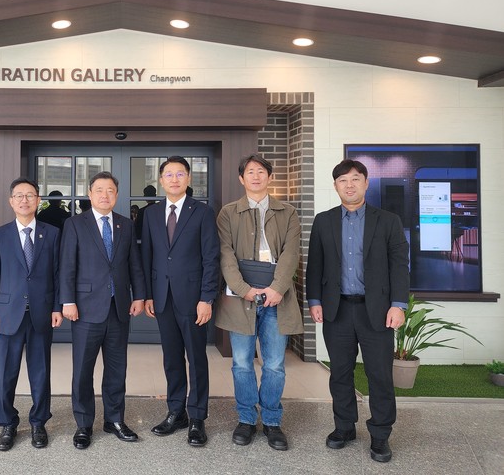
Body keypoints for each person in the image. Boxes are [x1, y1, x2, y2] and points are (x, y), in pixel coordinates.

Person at [306, 159, 409, 463]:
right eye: (342, 180)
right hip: (337, 309)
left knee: (379, 374)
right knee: (339, 373)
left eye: (354, 179)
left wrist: (398, 305)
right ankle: (344, 427)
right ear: (335, 185)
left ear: (366, 183)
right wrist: (315, 300)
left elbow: (399, 265)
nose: (349, 185)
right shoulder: (323, 221)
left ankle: (380, 434)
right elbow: (315, 265)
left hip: (376, 310)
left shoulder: (388, 221)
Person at [216, 154, 302, 451]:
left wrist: (277, 288)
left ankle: (273, 421)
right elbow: (225, 254)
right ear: (241, 178)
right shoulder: (228, 213)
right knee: (241, 363)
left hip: (277, 298)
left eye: (261, 171)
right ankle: (246, 419)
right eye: (250, 172)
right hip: (241, 298)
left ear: (269, 177)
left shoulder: (287, 212)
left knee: (275, 364)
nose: (255, 176)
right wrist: (243, 289)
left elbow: (291, 252)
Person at [59, 171, 146, 450]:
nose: (105, 195)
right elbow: (67, 265)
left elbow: (134, 263)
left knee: (117, 368)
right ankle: (84, 424)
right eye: (99, 190)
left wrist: (139, 295)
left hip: (118, 307)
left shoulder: (125, 224)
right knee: (83, 370)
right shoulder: (75, 224)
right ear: (90, 193)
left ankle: (115, 419)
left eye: (110, 190)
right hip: (85, 309)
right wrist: (67, 301)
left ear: (116, 195)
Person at [140, 156, 220, 447]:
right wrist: (148, 294)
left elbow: (211, 257)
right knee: (171, 358)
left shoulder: (202, 212)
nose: (174, 179)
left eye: (180, 174)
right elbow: (146, 256)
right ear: (161, 180)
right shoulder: (151, 214)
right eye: (169, 174)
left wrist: (207, 298)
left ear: (188, 178)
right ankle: (176, 412)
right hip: (162, 298)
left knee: (196, 359)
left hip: (193, 299)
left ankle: (197, 417)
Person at [0, 177, 63, 451]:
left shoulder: (52, 234)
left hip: (41, 313)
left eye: (30, 195)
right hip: (7, 314)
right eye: (19, 195)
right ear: (11, 201)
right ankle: (7, 423)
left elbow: (57, 274)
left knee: (40, 373)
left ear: (38, 201)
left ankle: (39, 422)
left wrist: (57, 306)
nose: (25, 200)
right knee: (6, 374)